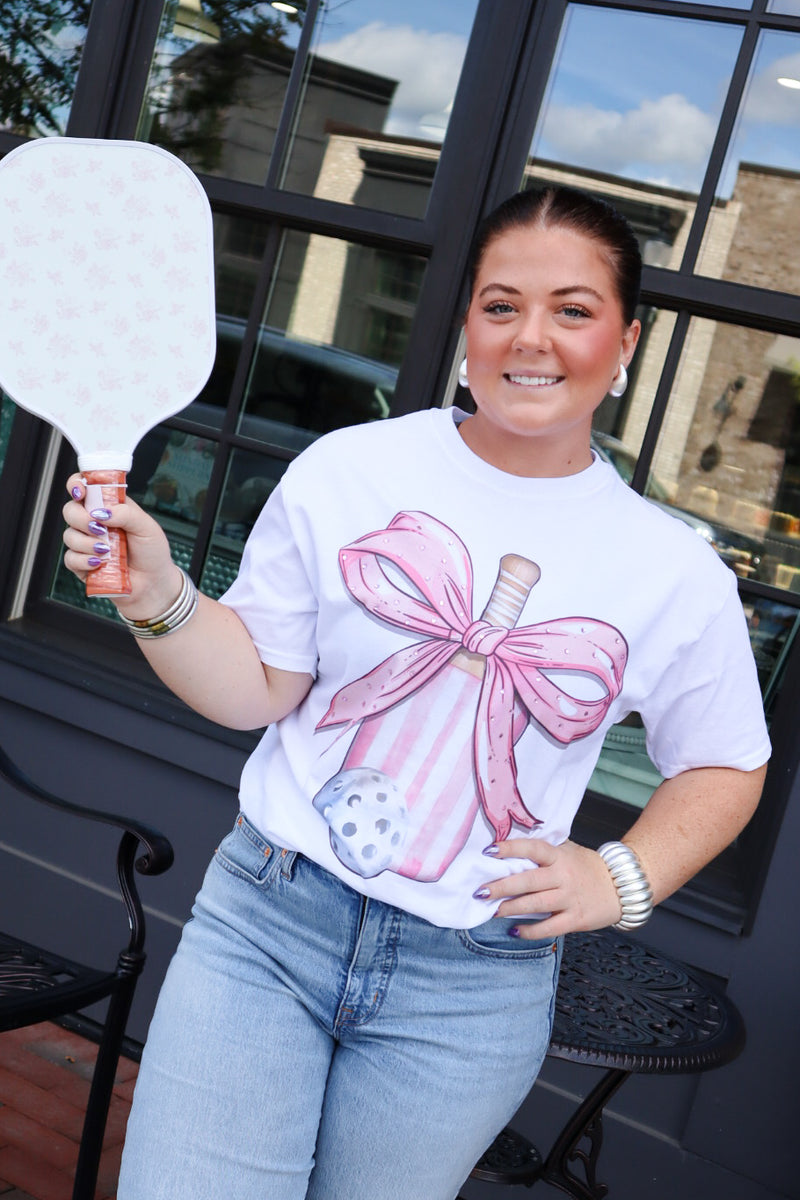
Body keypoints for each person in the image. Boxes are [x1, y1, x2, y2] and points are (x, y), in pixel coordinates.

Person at [62, 185, 770, 1200]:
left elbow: (725, 763)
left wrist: (621, 879)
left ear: (624, 344)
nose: (531, 338)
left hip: (469, 987)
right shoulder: (349, 470)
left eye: (572, 310)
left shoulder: (671, 569)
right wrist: (159, 593)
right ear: (466, 328)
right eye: (499, 305)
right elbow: (257, 687)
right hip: (270, 923)